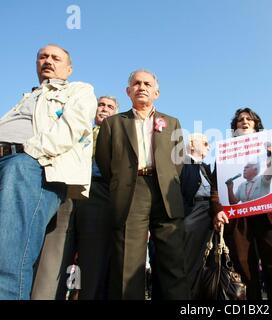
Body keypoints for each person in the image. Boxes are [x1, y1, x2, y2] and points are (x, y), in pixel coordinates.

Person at [0, 44, 97, 299]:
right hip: (9, 160)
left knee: (8, 254)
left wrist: (27, 151)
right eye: (43, 56)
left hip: (29, 166)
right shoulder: (26, 97)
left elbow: (70, 128)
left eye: (56, 57)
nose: (48, 60)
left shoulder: (79, 90)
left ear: (69, 68)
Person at [95, 69, 188, 300]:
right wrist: (125, 182)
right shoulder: (113, 123)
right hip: (131, 191)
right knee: (128, 262)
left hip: (166, 193)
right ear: (128, 91)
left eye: (147, 83)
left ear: (156, 92)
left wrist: (164, 177)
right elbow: (105, 162)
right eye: (136, 83)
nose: (142, 87)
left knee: (173, 261)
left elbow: (178, 162)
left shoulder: (172, 122)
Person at [212, 107, 272, 300]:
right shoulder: (225, 154)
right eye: (240, 120)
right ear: (234, 129)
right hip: (237, 222)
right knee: (243, 267)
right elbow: (216, 189)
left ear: (256, 126)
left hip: (267, 216)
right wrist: (218, 209)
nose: (244, 122)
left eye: (249, 120)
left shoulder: (266, 149)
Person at [72, 96, 119, 300]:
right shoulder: (79, 131)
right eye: (101, 105)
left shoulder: (119, 137)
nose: (104, 109)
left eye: (110, 107)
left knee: (92, 258)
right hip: (69, 191)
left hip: (100, 191)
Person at [180, 133, 213, 292]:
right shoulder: (180, 164)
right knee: (191, 262)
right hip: (193, 213)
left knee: (211, 261)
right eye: (205, 143)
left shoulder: (207, 167)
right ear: (192, 145)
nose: (209, 147)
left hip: (212, 213)